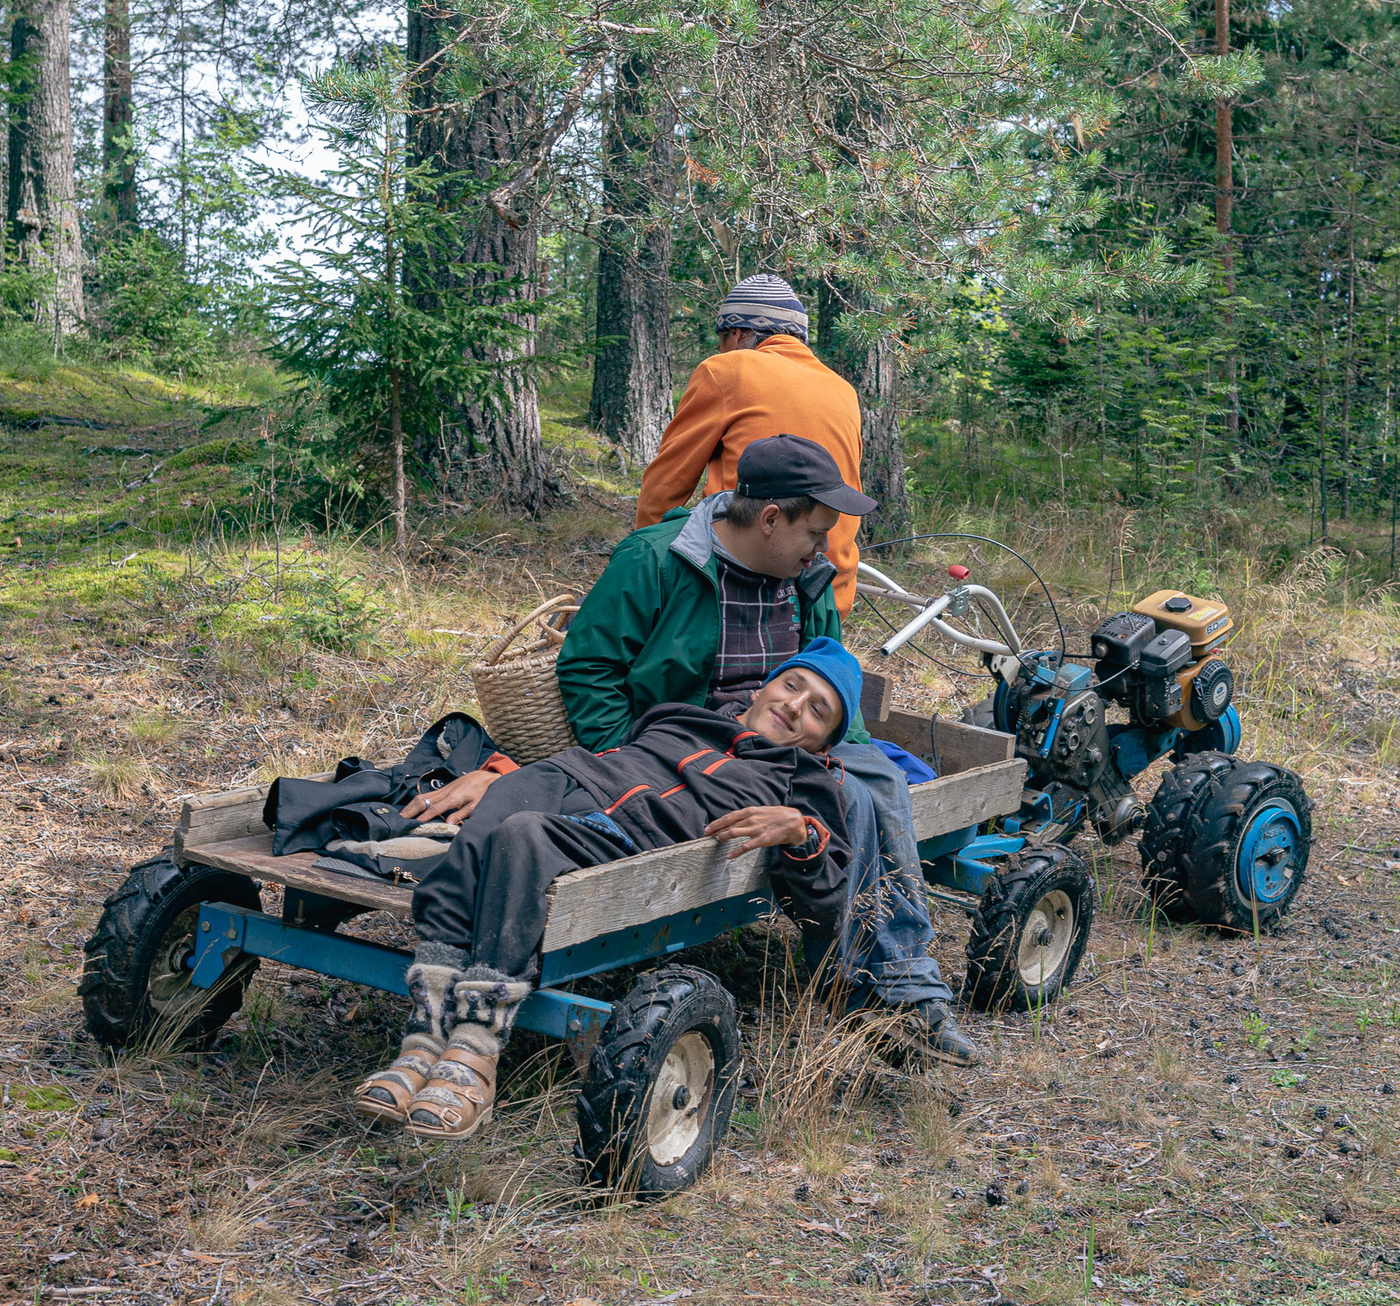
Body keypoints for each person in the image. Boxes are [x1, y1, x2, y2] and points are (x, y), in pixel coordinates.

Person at [416, 434, 985, 1067]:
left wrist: (837, 750)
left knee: (869, 787)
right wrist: (629, 758)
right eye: (814, 531)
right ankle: (858, 976)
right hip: (687, 736)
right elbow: (589, 667)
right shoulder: (659, 560)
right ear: (770, 519)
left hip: (788, 737)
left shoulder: (807, 575)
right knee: (851, 793)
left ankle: (898, 983)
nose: (824, 548)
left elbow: (831, 672)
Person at [355, 643, 866, 1137]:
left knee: (523, 834)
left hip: (629, 837)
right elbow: (613, 752)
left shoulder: (805, 783)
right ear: (763, 688)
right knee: (493, 821)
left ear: (823, 742)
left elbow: (827, 903)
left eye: (817, 710)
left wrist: (803, 833)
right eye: (791, 686)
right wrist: (505, 772)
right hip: (571, 776)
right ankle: (424, 1038)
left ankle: (475, 1044)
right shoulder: (685, 716)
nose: (794, 707)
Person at [636, 274, 869, 611]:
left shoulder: (726, 370)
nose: (720, 349)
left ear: (739, 333)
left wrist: (644, 563)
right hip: (829, 594)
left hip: (739, 584)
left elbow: (665, 485)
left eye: (722, 338)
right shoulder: (843, 390)